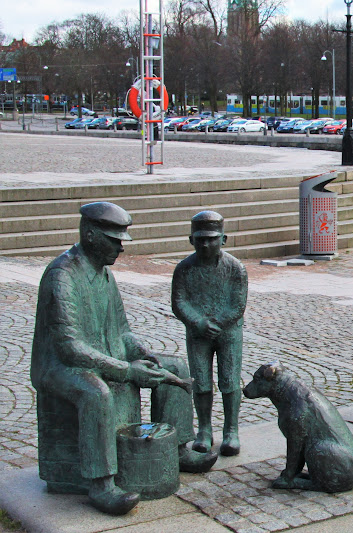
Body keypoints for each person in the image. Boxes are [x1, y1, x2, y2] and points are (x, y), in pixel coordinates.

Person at [31, 202, 217, 516]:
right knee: (96, 392)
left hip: (101, 356)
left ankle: (178, 448)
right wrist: (126, 371)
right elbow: (69, 348)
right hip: (59, 368)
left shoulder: (104, 274)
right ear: (90, 235)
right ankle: (101, 483)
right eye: (113, 239)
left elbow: (122, 332)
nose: (120, 246)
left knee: (174, 367)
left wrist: (144, 354)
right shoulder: (61, 275)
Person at [172, 211, 248, 456]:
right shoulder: (184, 269)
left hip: (229, 333)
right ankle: (204, 430)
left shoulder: (236, 268)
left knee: (229, 380)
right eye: (200, 239)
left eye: (212, 239)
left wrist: (220, 323)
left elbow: (238, 304)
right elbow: (179, 302)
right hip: (198, 334)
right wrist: (199, 323)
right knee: (201, 381)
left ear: (223, 239)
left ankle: (231, 430)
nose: (206, 244)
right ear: (190, 239)